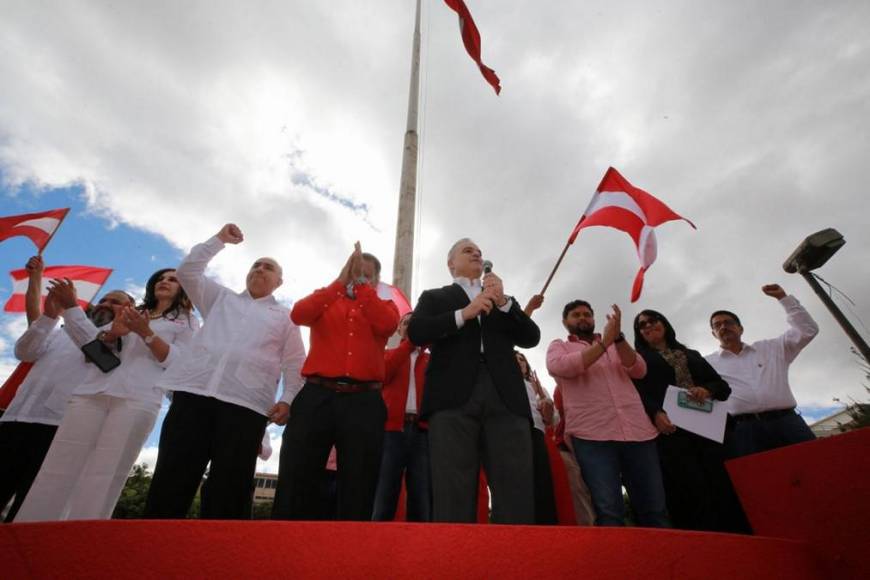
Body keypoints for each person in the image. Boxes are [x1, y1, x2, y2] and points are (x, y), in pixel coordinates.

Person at [144, 224, 306, 520]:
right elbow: (188, 272)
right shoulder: (220, 298)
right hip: (193, 394)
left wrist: (288, 400)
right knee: (172, 476)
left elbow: (295, 364)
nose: (259, 269)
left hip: (246, 405)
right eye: (256, 265)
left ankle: (221, 556)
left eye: (268, 267)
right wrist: (218, 241)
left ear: (278, 282)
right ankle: (152, 548)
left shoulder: (286, 317)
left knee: (229, 488)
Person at [16, 268, 196, 521]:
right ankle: (30, 533)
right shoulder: (131, 313)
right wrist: (112, 334)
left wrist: (147, 333)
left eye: (173, 279)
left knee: (105, 474)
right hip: (90, 393)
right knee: (56, 469)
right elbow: (96, 356)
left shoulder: (187, 321)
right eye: (161, 278)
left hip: (137, 398)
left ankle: (83, 540)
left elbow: (178, 364)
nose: (164, 282)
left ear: (184, 289)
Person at [408, 238, 540, 524]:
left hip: (505, 394)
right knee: (452, 487)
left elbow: (531, 337)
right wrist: (463, 314)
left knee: (515, 484)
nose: (477, 255)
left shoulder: (503, 300)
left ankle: (515, 562)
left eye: (480, 253)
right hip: (451, 396)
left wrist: (504, 302)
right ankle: (454, 563)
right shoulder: (434, 297)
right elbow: (417, 331)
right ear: (451, 263)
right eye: (468, 251)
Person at [0, 257, 133, 522]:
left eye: (115, 301)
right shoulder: (61, 330)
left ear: (129, 310)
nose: (106, 304)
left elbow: (103, 360)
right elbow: (24, 353)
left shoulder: (124, 339)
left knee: (28, 508)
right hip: (16, 418)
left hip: (58, 427)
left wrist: (72, 308)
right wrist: (49, 315)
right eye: (104, 299)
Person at [273, 242, 399, 521]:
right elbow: (299, 314)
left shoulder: (384, 305)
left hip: (364, 401)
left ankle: (351, 551)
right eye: (355, 272)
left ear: (376, 281)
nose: (359, 278)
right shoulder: (326, 299)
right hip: (317, 394)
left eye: (367, 275)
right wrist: (340, 282)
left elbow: (388, 326)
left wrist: (363, 290)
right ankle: (284, 545)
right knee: (297, 473)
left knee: (360, 479)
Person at [546, 300, 668, 528]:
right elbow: (560, 367)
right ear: (565, 322)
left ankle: (664, 561)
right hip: (592, 436)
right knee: (608, 510)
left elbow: (639, 369)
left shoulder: (615, 344)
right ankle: (618, 562)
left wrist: (618, 339)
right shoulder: (559, 345)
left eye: (587, 314)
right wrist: (604, 345)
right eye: (576, 314)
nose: (583, 318)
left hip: (638, 433)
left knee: (655, 508)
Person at [632, 309, 750, 533]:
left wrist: (706, 389)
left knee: (725, 484)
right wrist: (655, 412)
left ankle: (741, 534)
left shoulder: (691, 354)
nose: (648, 326)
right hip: (673, 434)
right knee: (689, 488)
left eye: (653, 320)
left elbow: (722, 387)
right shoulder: (639, 362)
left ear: (664, 323)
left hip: (712, 431)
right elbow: (638, 394)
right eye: (642, 325)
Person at [706, 284, 819, 459]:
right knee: (761, 482)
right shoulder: (707, 364)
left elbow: (807, 330)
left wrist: (784, 298)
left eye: (728, 323)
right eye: (717, 325)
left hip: (787, 423)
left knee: (815, 467)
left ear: (740, 328)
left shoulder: (772, 348)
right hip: (744, 431)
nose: (723, 327)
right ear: (713, 334)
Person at [372, 312, 432, 522]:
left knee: (421, 497)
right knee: (385, 494)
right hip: (391, 432)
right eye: (406, 323)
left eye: (415, 323)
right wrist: (408, 346)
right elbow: (383, 375)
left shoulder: (430, 360)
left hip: (422, 433)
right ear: (399, 329)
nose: (410, 326)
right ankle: (378, 546)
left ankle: (419, 549)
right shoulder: (388, 354)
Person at [514, 350, 557, 525]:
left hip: (537, 433)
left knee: (542, 481)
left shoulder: (538, 388)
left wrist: (544, 399)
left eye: (522, 359)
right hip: (513, 434)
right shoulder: (502, 383)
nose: (519, 362)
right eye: (514, 359)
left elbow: (552, 420)